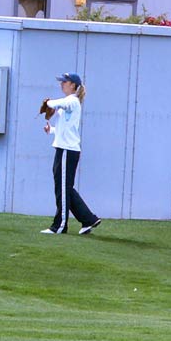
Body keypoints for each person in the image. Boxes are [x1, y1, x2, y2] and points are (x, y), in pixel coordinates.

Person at [41, 72, 101, 235]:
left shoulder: (72, 101)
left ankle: (59, 226)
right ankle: (88, 219)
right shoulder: (69, 103)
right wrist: (51, 130)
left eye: (65, 82)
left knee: (63, 188)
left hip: (67, 151)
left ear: (73, 85)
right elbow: (66, 129)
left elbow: (58, 103)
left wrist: (48, 102)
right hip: (64, 148)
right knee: (65, 188)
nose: (62, 84)